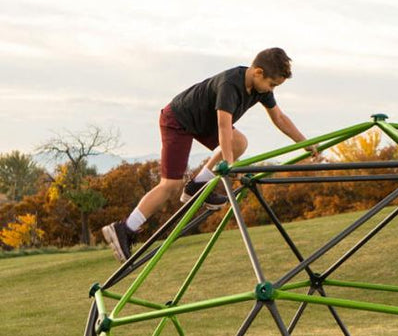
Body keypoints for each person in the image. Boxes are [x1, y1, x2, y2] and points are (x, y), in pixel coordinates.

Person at [102, 48, 318, 262]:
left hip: (203, 123)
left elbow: (279, 118)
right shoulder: (230, 85)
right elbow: (224, 126)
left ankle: (196, 185)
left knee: (240, 142)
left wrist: (305, 143)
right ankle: (124, 228)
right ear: (258, 73)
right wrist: (229, 164)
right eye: (272, 84)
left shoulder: (261, 89)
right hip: (178, 120)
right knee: (170, 185)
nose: (271, 90)